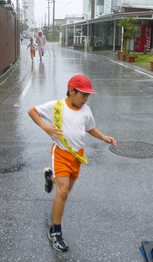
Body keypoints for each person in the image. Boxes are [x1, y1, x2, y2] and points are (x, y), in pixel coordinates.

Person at [28, 74, 117, 252]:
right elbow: (33, 112)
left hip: (77, 156)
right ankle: (55, 231)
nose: (85, 98)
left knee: (66, 189)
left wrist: (104, 137)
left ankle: (49, 176)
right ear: (71, 91)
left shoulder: (85, 110)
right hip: (61, 153)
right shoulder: (57, 106)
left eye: (87, 95)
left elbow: (90, 128)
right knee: (63, 193)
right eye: (82, 94)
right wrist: (45, 127)